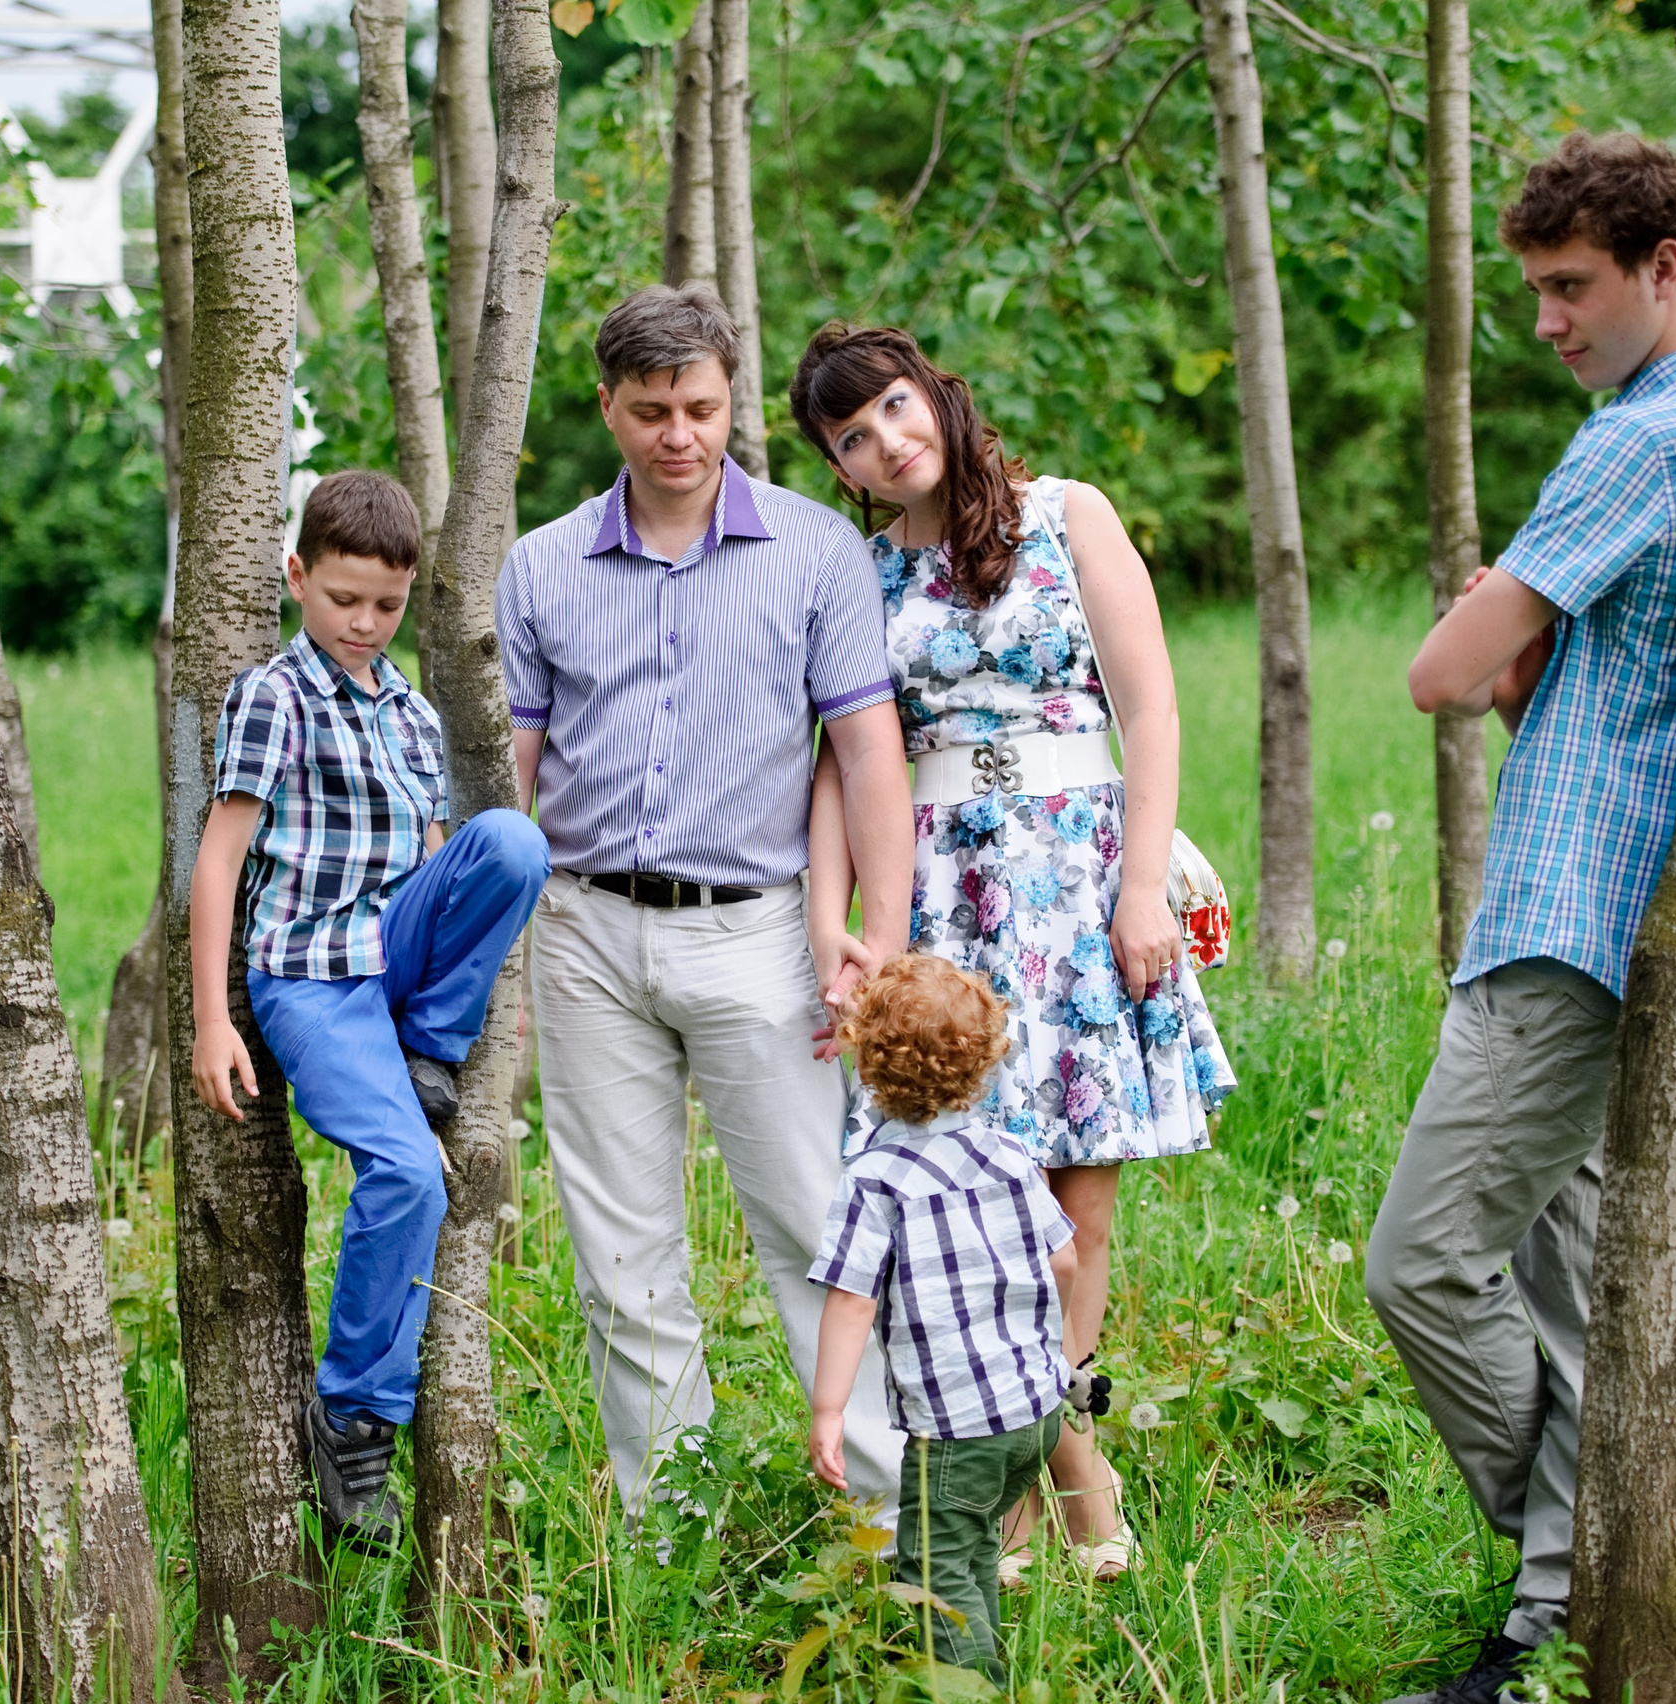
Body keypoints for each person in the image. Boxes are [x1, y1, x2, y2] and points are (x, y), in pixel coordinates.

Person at [789, 323, 1234, 1578]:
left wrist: (1142, 887)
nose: (887, 443)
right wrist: (838, 925)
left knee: (1076, 1203)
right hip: (941, 900)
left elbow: (1147, 704)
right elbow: (837, 767)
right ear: (841, 465)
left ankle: (1044, 1477)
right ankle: (1066, 1478)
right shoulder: (860, 574)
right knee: (972, 1194)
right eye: (853, 439)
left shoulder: (1064, 516)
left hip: (1077, 876)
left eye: (892, 407)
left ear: (930, 389)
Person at [495, 283, 915, 1520]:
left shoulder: (815, 550)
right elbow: (514, 784)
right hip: (585, 936)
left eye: (702, 409)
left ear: (730, 396)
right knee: (623, 1266)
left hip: (759, 935)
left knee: (811, 1233)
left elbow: (868, 756)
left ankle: (890, 1530)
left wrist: (874, 947)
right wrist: (492, 965)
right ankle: (669, 1544)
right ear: (609, 410)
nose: (679, 436)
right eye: (650, 413)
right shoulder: (540, 566)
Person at [1370, 131, 1676, 1704]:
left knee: (1421, 1264)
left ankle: (1578, 1552)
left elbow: (1447, 672)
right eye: (1538, 292)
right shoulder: (1666, 428)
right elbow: (1513, 672)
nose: (1551, 322)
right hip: (1572, 895)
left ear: (1667, 270)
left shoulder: (1644, 438)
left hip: (1574, 913)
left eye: (1575, 289)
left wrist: (1499, 601)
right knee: (1563, 1291)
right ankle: (1556, 1615)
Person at [187, 468, 549, 1548]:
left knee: (512, 841)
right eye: (343, 598)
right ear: (298, 578)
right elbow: (219, 861)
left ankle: (430, 1047)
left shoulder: (411, 710)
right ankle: (354, 1414)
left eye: (385, 606)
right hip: (309, 975)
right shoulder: (272, 697)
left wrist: (470, 981)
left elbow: (438, 859)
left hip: (391, 964)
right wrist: (213, 1017)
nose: (362, 622)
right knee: (405, 1173)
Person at [806, 955, 1082, 1682]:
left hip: (956, 1428)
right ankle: (989, 1662)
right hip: (1033, 1411)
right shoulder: (1011, 1155)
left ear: (869, 1066)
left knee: (935, 1567)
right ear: (985, 1060)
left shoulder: (876, 1177)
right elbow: (1064, 1262)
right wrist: (1051, 1345)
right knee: (976, 1543)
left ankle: (968, 1686)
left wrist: (830, 1409)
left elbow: (852, 1297)